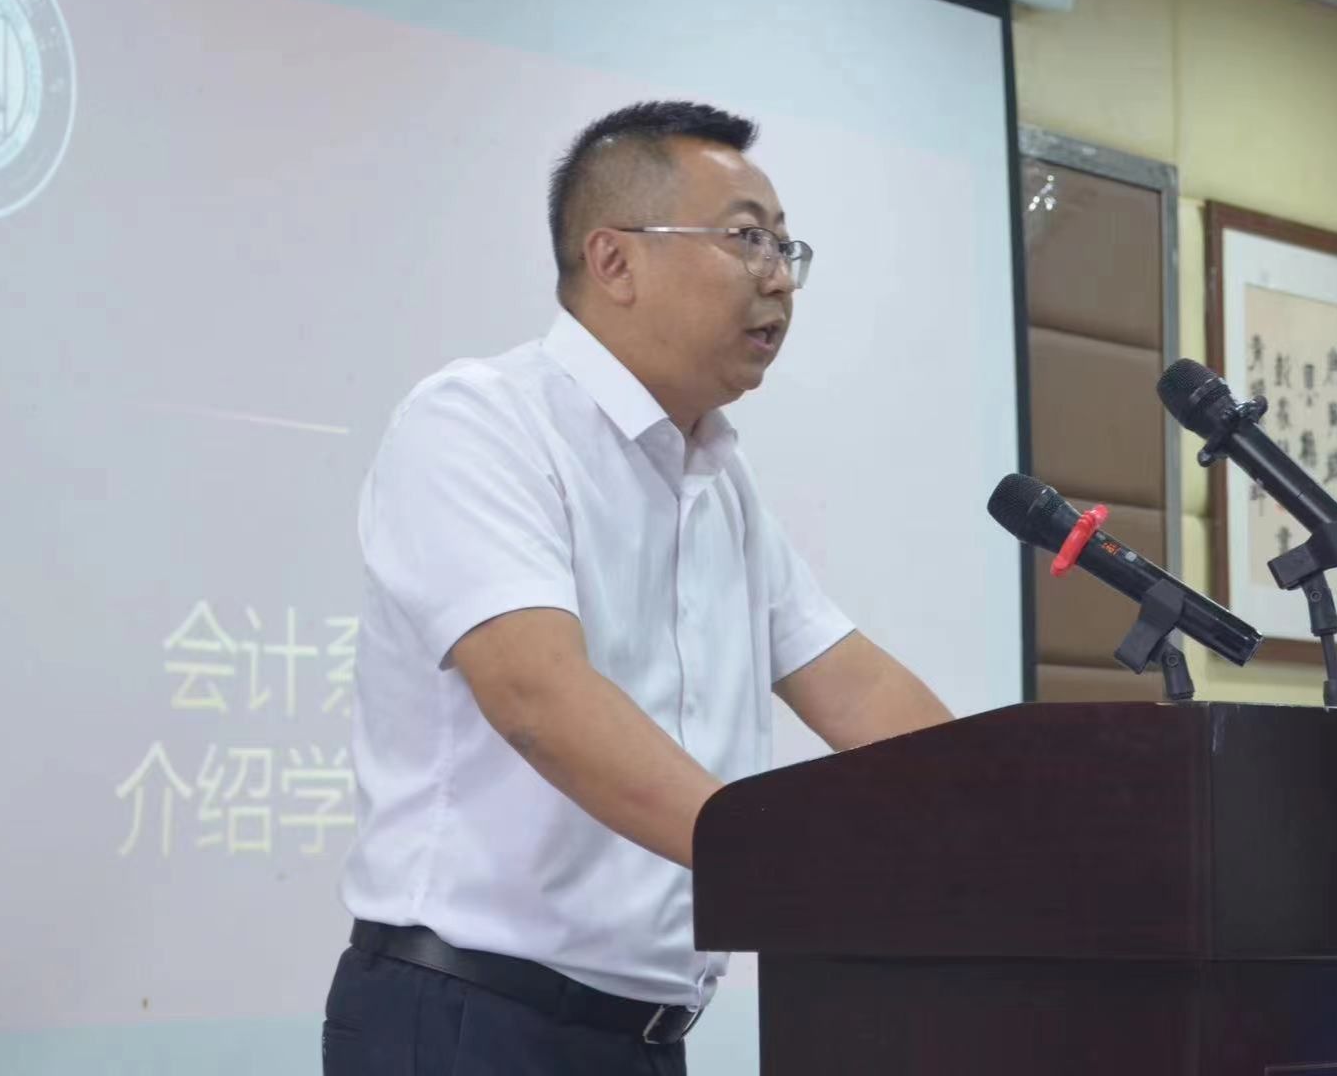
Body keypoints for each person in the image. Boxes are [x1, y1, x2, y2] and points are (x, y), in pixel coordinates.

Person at [322, 100, 953, 1075]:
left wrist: (998, 824)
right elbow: (538, 695)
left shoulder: (718, 481)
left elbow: (854, 685)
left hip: (641, 1040)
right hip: (469, 1021)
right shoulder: (482, 421)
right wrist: (775, 864)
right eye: (746, 238)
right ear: (614, 261)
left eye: (786, 246)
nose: (779, 276)